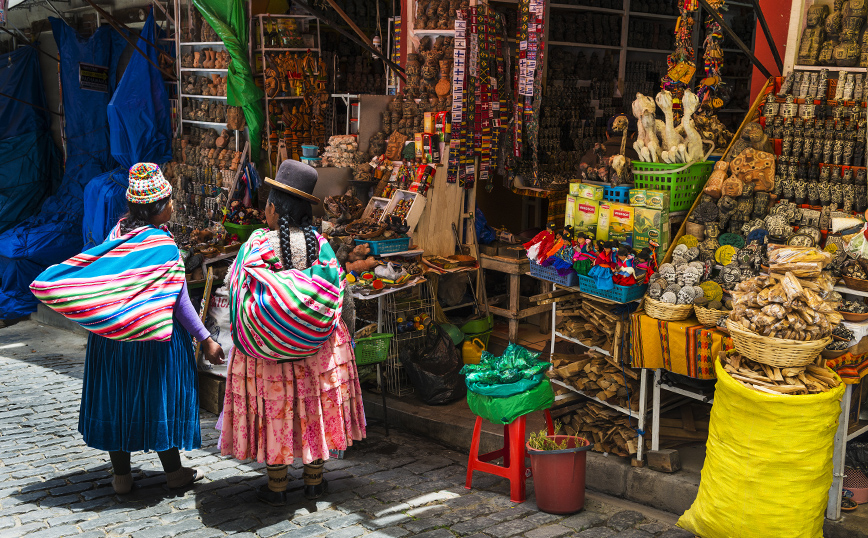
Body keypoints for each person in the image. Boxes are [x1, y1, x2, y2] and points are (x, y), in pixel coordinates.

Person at [31, 163, 225, 494]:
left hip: (112, 343)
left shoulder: (115, 235)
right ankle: (174, 473)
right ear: (159, 207)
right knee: (156, 400)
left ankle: (121, 477)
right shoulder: (162, 247)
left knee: (116, 400)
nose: (174, 205)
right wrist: (205, 339)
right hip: (153, 342)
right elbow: (179, 304)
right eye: (170, 200)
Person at [219, 159, 366, 506]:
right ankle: (315, 482)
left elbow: (233, 290)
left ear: (273, 209)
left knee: (277, 413)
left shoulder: (256, 246)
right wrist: (346, 337)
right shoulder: (322, 246)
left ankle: (277, 487)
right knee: (312, 408)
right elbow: (342, 298)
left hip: (267, 356)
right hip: (318, 350)